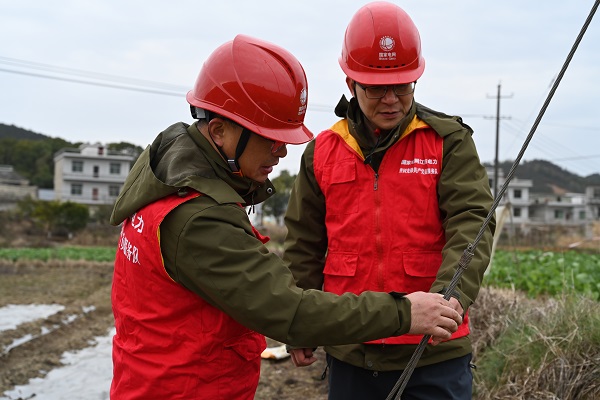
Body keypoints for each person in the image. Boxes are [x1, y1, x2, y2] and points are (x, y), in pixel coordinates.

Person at [108, 34, 462, 400]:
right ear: (219, 131)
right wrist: (405, 312)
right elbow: (289, 309)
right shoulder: (199, 217)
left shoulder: (166, 183)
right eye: (269, 137)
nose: (281, 152)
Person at [283, 2, 496, 399]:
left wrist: (450, 299)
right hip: (350, 346)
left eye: (403, 86)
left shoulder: (447, 140)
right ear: (351, 83)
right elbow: (303, 243)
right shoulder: (322, 150)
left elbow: (472, 222)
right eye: (376, 88)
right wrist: (299, 325)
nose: (391, 100)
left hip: (433, 351)